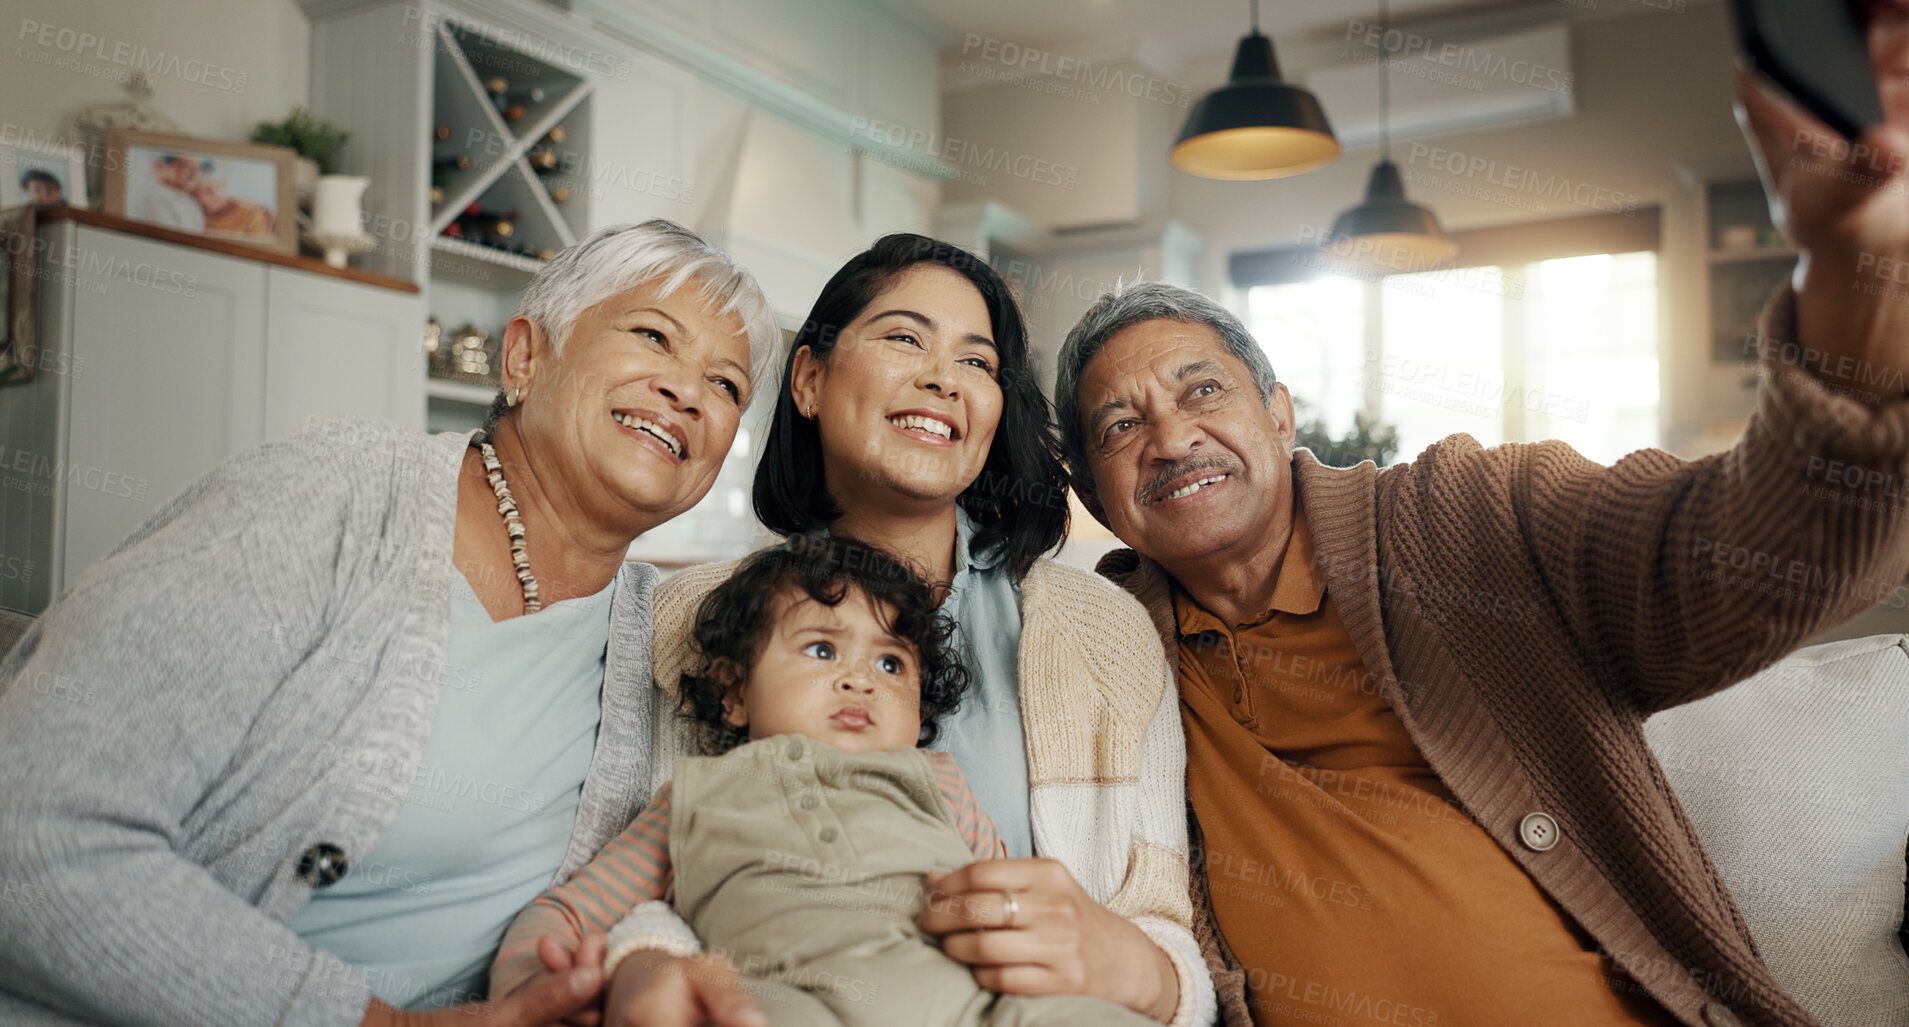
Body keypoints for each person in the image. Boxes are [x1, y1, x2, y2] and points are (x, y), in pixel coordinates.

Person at [1052, 7, 1909, 1025]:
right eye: (1121, 423)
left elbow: (1754, 558)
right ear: (1090, 490)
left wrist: (1871, 287)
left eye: (1202, 390)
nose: (1171, 439)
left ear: (1280, 410)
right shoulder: (1106, 648)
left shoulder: (1476, 518)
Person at [0, 219, 779, 1027]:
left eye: (725, 385)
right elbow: (30, 831)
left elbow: (692, 860)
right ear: (525, 356)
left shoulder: (668, 639)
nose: (688, 390)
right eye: (653, 335)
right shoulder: (331, 499)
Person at [600, 234, 1215, 1027]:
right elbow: (644, 877)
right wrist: (648, 964)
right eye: (903, 337)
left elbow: (1167, 934)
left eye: (976, 362)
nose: (941, 379)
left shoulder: (1105, 631)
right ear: (810, 378)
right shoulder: (683, 618)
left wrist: (1130, 965)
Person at [493, 534, 1155, 1026]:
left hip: (981, 1003)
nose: (860, 677)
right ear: (732, 693)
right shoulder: (693, 797)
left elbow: (1011, 898)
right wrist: (531, 979)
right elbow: (568, 911)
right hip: (787, 997)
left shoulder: (937, 780)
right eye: (821, 648)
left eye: (892, 664)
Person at [194, 166, 276, 236]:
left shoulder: (251, 213)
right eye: (196, 194)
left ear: (224, 185)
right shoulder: (195, 211)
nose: (203, 199)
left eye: (210, 191)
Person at [136, 153, 204, 230]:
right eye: (185, 166)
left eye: (197, 167)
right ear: (160, 166)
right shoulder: (151, 195)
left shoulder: (187, 199)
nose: (194, 173)